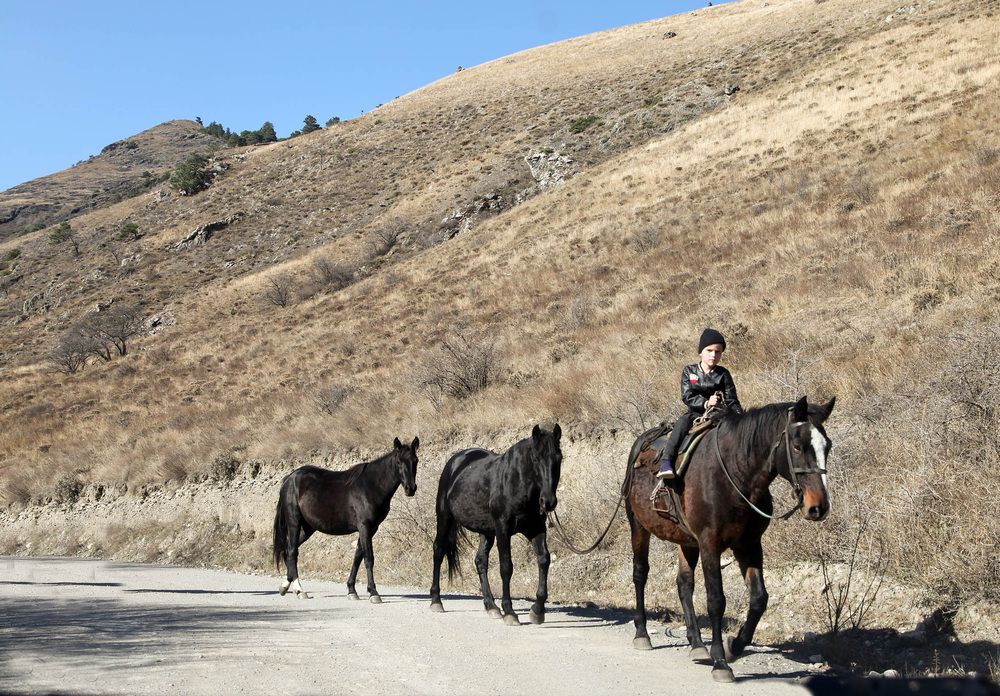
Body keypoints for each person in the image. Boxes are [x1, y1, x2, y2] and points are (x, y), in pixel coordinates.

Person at [656, 328, 743, 479]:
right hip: (695, 414)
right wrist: (705, 403)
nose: (713, 355)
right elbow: (687, 396)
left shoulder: (723, 374)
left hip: (719, 414)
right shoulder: (689, 371)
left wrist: (740, 418)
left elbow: (732, 400)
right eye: (709, 350)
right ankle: (666, 461)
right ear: (700, 352)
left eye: (718, 352)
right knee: (682, 423)